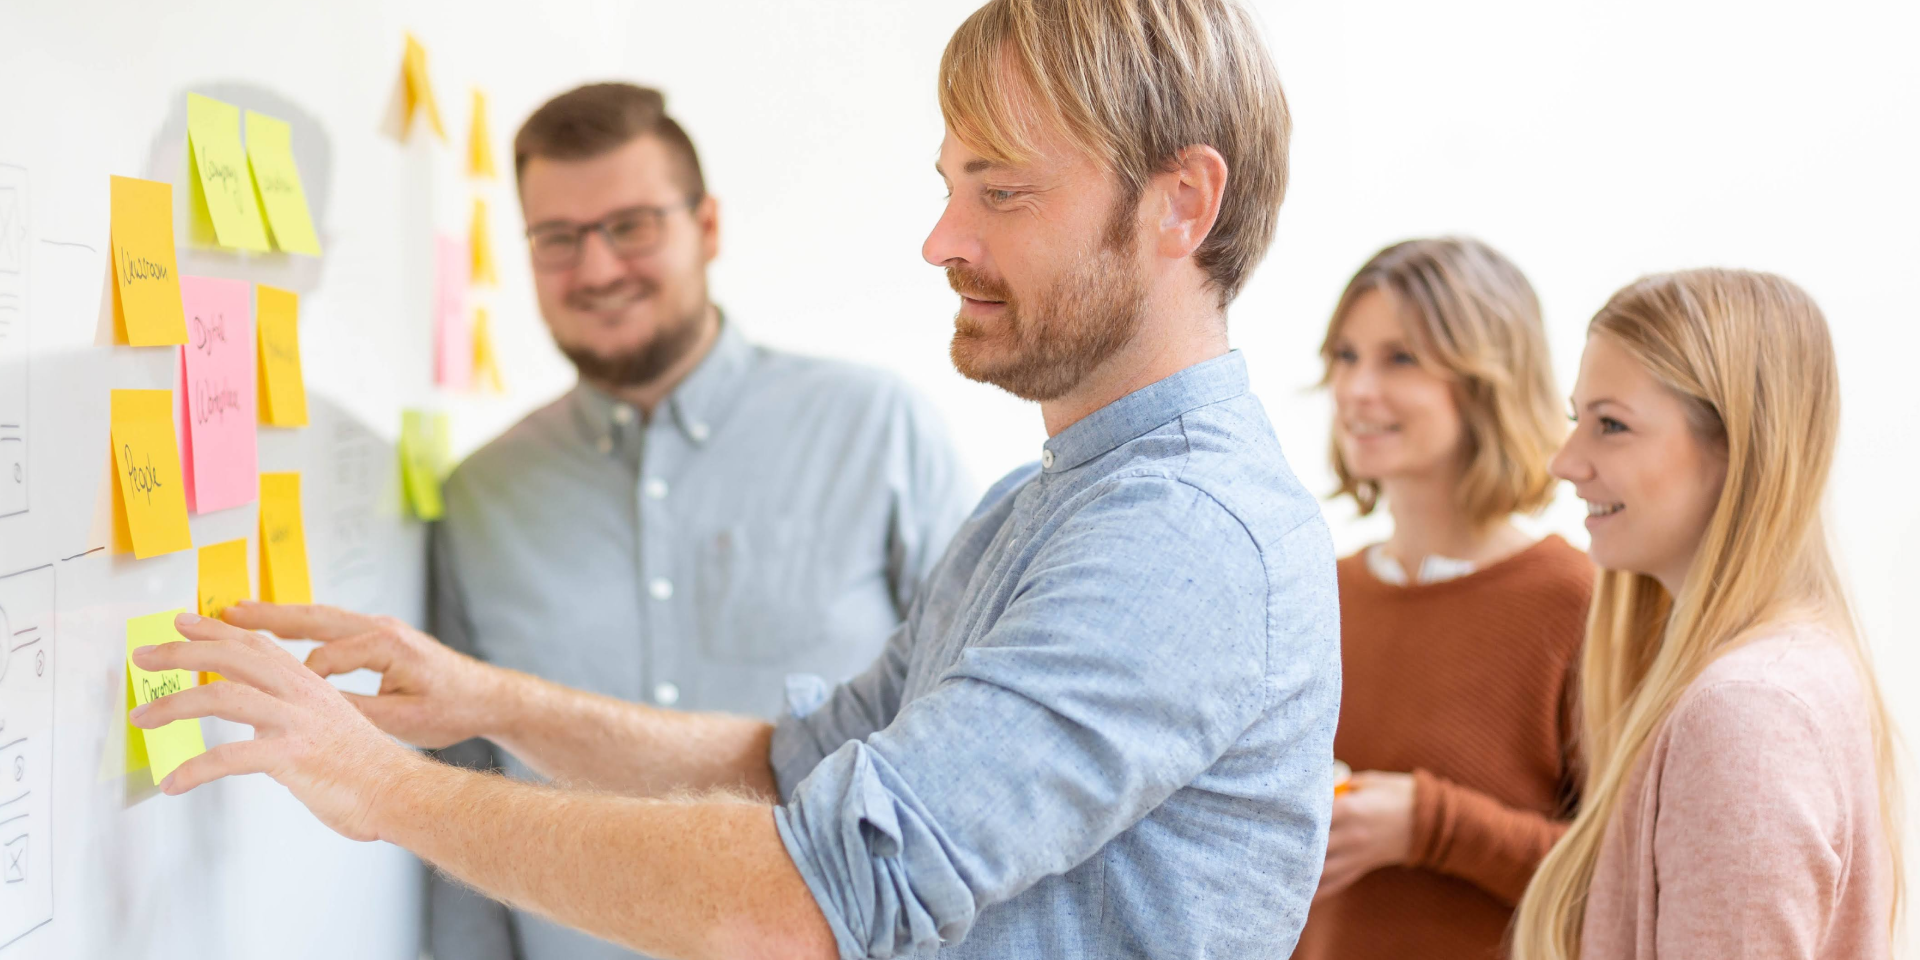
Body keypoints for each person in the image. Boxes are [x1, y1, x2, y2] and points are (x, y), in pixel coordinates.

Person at [128, 1, 1343, 957]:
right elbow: (797, 762)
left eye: (1003, 191)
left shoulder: (1182, 532)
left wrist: (381, 788)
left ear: (1181, 204)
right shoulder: (1039, 505)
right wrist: (490, 703)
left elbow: (802, 904)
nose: (942, 240)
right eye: (949, 184)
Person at [427, 83, 977, 960]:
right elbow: (452, 795)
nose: (597, 269)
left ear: (707, 226)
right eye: (557, 239)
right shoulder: (478, 500)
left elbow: (974, 734)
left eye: (631, 225)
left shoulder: (876, 430)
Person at [1509, 269, 1903, 958]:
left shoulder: (1748, 715)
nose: (1565, 462)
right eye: (1579, 420)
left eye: (1611, 425)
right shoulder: (1786, 670)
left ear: (1737, 448)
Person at [1291, 238, 1592, 959]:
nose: (1359, 388)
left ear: (1487, 379)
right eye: (1346, 356)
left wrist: (1430, 825)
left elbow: (1616, 878)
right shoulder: (1314, 593)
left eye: (1400, 358)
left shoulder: (1578, 602)